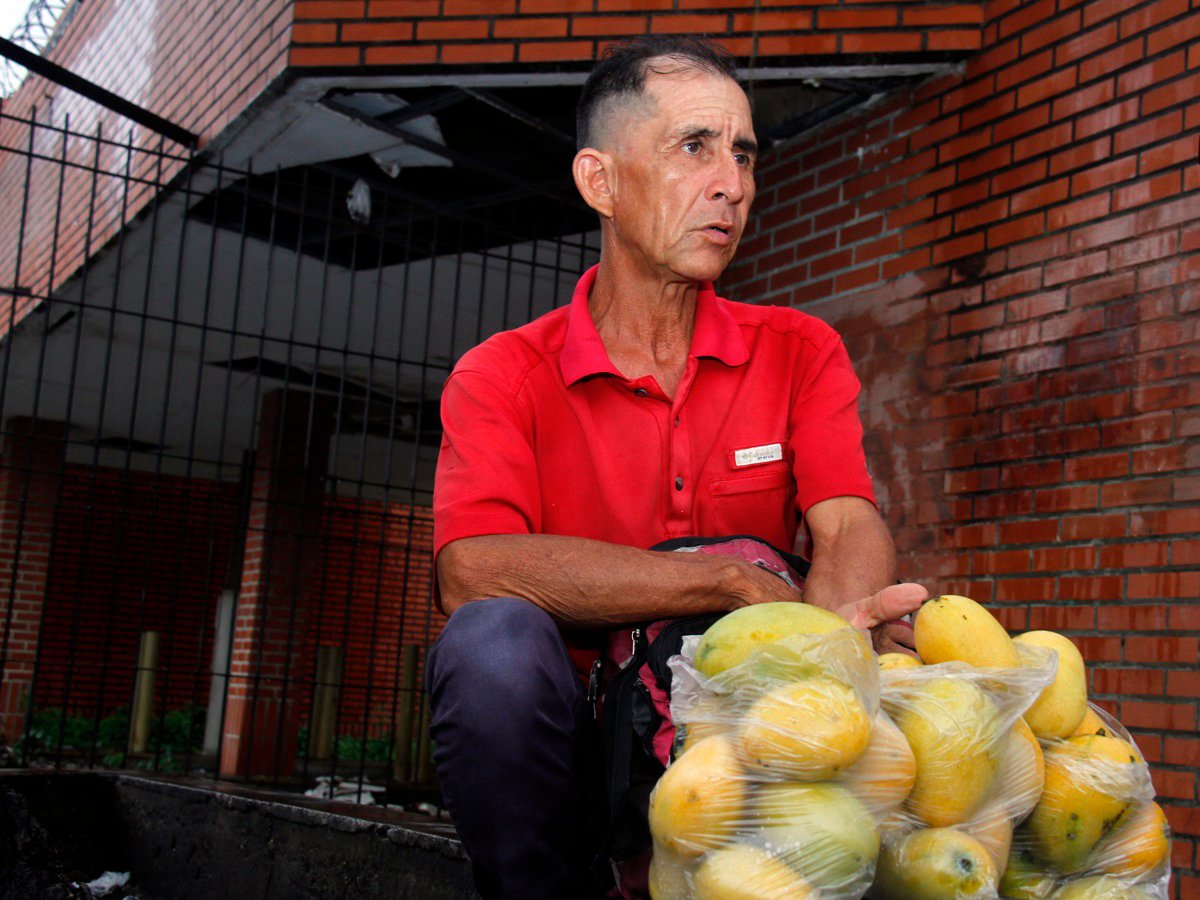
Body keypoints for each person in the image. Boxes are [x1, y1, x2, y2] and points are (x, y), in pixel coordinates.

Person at [425, 35, 927, 899]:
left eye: (742, 154)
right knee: (490, 644)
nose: (732, 183)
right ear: (601, 182)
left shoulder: (800, 349)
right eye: (695, 147)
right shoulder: (501, 374)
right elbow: (473, 569)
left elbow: (844, 518)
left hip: (748, 751)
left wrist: (837, 644)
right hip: (578, 765)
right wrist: (725, 581)